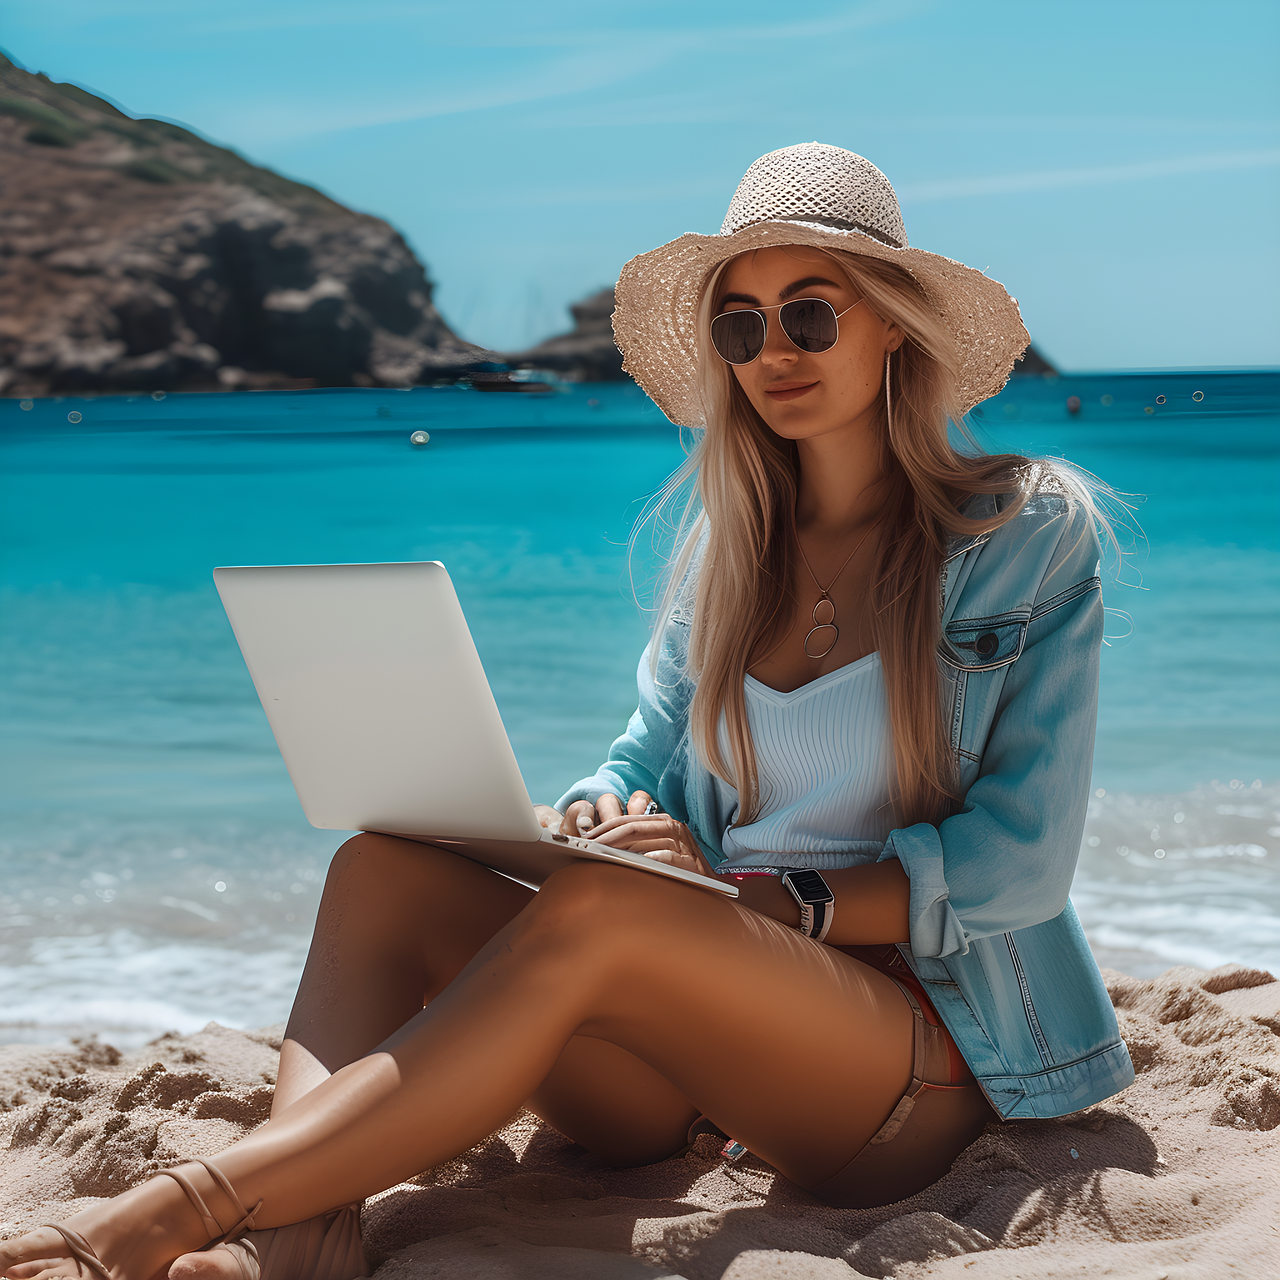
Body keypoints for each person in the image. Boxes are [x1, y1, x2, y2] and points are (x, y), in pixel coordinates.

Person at [1, 143, 1133, 1280]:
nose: (770, 351)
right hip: (687, 1061)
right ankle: (301, 1237)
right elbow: (639, 753)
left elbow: (1019, 861)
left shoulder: (1020, 535)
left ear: (891, 322)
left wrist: (768, 901)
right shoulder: (727, 558)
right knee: (378, 867)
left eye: (806, 314)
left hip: (911, 1064)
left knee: (611, 914)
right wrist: (595, 814)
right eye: (737, 328)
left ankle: (179, 1206)